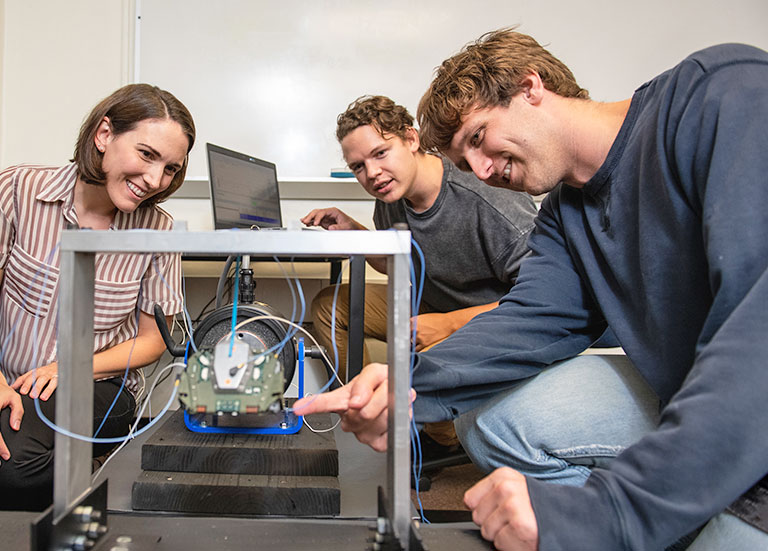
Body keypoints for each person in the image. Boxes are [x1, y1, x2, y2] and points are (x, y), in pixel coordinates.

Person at [295, 30, 768, 551]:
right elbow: (532, 319)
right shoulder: (565, 213)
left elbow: (757, 349)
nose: (480, 171)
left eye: (477, 138)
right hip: (688, 390)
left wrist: (606, 512)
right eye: (462, 161)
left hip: (751, 410)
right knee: (493, 419)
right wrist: (409, 386)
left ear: (530, 87)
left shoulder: (721, 96)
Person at [0, 83, 195, 528]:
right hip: (7, 382)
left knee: (4, 457)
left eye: (170, 169)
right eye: (146, 155)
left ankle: (89, 475)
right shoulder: (15, 190)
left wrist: (67, 368)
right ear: (104, 135)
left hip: (101, 386)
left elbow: (151, 343)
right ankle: (82, 477)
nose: (155, 180)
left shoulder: (159, 230)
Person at [301, 95, 536, 379]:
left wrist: (447, 324)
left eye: (380, 153)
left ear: (411, 139)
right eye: (358, 167)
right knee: (332, 306)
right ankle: (362, 406)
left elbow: (540, 297)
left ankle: (434, 419)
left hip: (494, 321)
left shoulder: (486, 199)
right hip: (432, 304)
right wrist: (357, 233)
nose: (372, 173)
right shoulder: (391, 195)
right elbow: (402, 265)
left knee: (427, 379)